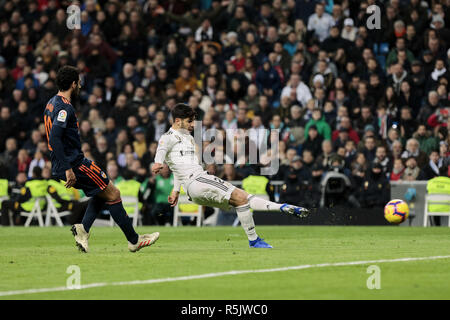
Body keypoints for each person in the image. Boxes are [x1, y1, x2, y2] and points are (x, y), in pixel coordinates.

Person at [151, 104, 310, 249]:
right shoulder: (167, 137)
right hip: (198, 181)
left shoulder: (189, 138)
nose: (193, 124)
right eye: (189, 121)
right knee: (242, 196)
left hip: (195, 188)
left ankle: (257, 236)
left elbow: (179, 167)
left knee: (240, 201)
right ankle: (279, 210)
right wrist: (158, 162)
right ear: (177, 121)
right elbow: (161, 151)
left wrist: (176, 191)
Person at [44, 66, 159, 253]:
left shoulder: (51, 103)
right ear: (73, 84)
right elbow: (55, 138)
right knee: (113, 194)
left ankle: (83, 229)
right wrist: (68, 168)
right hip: (74, 163)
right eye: (79, 82)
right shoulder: (64, 107)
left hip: (63, 162)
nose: (80, 85)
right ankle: (134, 240)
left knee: (101, 191)